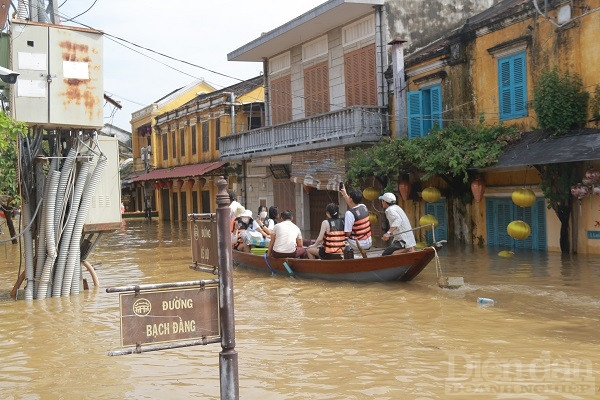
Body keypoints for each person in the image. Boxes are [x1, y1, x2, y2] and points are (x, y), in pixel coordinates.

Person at [340, 184, 372, 251]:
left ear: (351, 199)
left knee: (339, 241)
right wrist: (344, 194)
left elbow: (348, 234)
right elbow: (353, 207)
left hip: (358, 244)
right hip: (369, 241)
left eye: (349, 196)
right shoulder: (363, 206)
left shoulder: (349, 213)